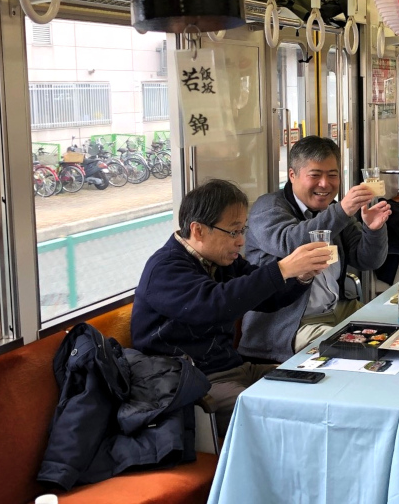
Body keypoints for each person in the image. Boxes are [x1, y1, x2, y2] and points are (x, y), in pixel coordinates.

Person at [131, 179, 337, 436]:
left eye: (243, 230)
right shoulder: (165, 269)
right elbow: (215, 304)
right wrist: (283, 268)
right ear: (198, 231)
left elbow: (269, 298)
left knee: (321, 384)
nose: (241, 241)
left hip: (237, 369)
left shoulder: (223, 262)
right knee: (282, 415)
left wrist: (303, 275)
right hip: (194, 382)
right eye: (233, 232)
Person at [238, 137, 391, 363]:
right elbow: (289, 241)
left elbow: (368, 261)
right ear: (292, 175)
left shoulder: (333, 211)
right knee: (362, 353)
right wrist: (342, 210)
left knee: (396, 332)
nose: (325, 184)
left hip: (338, 311)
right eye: (315, 175)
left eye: (332, 175)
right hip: (288, 325)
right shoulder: (268, 207)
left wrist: (373, 229)